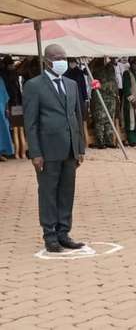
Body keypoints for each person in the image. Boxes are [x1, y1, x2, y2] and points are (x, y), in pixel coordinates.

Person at [22, 44, 86, 252]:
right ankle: (49, 235)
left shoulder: (71, 84)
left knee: (67, 191)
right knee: (48, 192)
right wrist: (35, 152)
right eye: (58, 57)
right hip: (47, 150)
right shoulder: (34, 86)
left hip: (69, 149)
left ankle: (63, 232)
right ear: (47, 61)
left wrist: (80, 148)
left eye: (64, 57)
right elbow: (30, 122)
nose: (62, 61)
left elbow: (78, 117)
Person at [89, 58, 118, 149]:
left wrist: (116, 94)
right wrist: (93, 61)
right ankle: (100, 141)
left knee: (109, 119)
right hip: (99, 96)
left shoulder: (110, 67)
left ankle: (109, 141)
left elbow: (114, 82)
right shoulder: (94, 67)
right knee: (100, 119)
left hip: (111, 96)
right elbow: (88, 75)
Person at [0, 74, 14, 161]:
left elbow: (5, 96)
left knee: (2, 131)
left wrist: (7, 109)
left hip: (1, 110)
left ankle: (1, 153)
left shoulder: (0, 80)